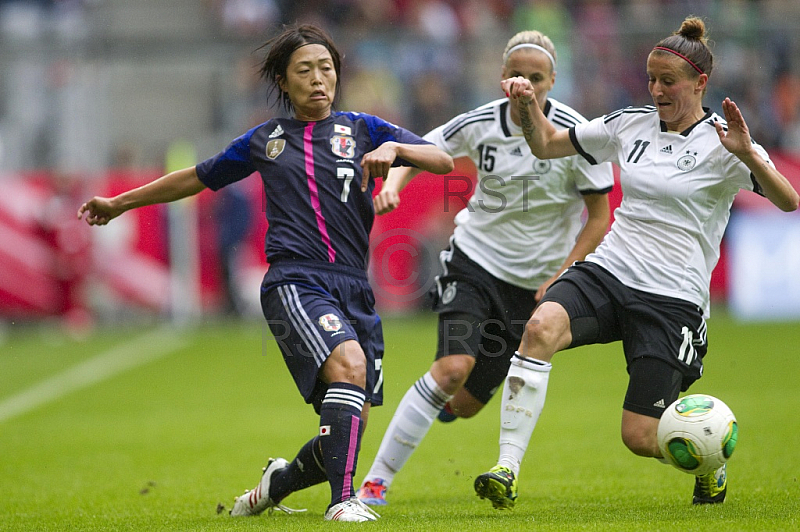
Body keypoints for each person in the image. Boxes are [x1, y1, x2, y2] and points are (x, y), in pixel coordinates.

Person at [77, 24, 453, 523]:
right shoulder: (266, 140)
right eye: (305, 70)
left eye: (327, 68)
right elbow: (196, 176)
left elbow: (444, 159)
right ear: (282, 79)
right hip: (296, 280)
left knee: (347, 421)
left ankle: (276, 483)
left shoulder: (364, 128)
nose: (319, 78)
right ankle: (343, 503)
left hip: (355, 288)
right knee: (349, 367)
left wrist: (398, 150)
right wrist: (121, 202)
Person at [473, 16, 800, 510]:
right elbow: (544, 143)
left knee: (642, 436)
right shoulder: (629, 123)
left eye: (668, 81)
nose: (657, 89)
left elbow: (789, 201)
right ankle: (507, 468)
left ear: (700, 83)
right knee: (539, 328)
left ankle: (709, 459)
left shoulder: (726, 141)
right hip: (611, 270)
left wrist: (749, 155)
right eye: (651, 78)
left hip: (673, 298)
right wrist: (527, 105)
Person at [356, 30, 614, 506]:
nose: (526, 85)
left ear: (552, 81)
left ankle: (446, 402)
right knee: (451, 369)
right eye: (517, 75)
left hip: (533, 287)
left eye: (536, 77)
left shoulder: (578, 135)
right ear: (502, 79)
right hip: (473, 264)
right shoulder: (480, 124)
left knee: (467, 404)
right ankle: (374, 485)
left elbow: (599, 216)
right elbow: (415, 148)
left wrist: (566, 272)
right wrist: (391, 183)